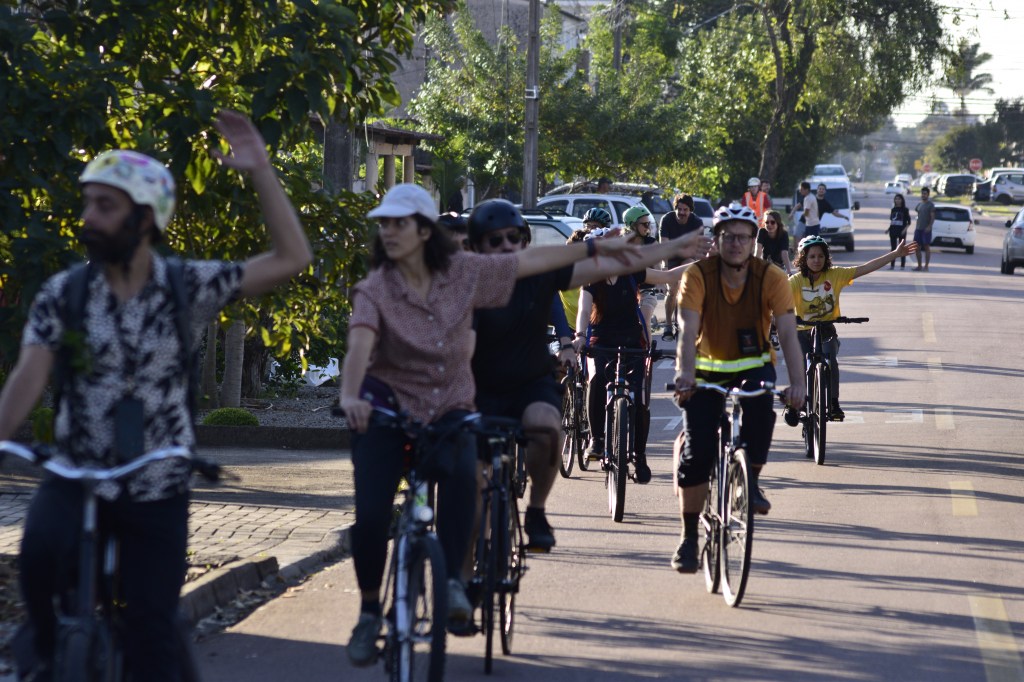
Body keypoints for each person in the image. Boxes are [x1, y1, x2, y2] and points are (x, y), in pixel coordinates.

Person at [0, 111, 314, 681]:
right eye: (88, 204)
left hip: (157, 483)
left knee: (151, 629)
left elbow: (292, 258)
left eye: (105, 206)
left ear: (145, 218)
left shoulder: (184, 285)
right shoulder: (64, 293)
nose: (88, 218)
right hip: (77, 474)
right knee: (39, 556)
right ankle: (45, 653)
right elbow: (29, 374)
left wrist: (262, 172)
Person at [338, 184, 643, 667]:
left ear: (424, 232)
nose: (389, 231)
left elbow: (534, 265)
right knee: (373, 516)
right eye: (385, 224)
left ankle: (454, 582)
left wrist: (600, 248)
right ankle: (370, 610)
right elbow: (359, 345)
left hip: (448, 408)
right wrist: (351, 396)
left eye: (400, 223)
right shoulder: (376, 286)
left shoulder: (463, 272)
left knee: (465, 479)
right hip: (386, 409)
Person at [471, 200, 709, 550]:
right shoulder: (464, 279)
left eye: (514, 238)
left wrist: (678, 247)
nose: (506, 246)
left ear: (524, 241)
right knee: (469, 503)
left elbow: (629, 264)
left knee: (546, 427)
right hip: (477, 389)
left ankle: (536, 510)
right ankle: (462, 577)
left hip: (529, 383)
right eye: (495, 240)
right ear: (476, 246)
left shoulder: (540, 274)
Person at [670, 203, 805, 574]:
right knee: (697, 454)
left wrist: (798, 383)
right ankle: (688, 538)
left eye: (743, 238)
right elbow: (687, 331)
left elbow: (788, 332)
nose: (735, 244)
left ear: (753, 241)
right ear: (716, 239)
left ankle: (751, 481)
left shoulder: (771, 276)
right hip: (705, 370)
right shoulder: (698, 275)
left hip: (753, 365)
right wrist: (684, 374)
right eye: (728, 237)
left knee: (761, 411)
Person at [574, 231, 705, 483]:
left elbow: (668, 276)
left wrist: (703, 264)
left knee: (640, 398)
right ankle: (597, 440)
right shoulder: (591, 277)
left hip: (632, 340)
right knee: (597, 379)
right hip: (601, 342)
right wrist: (580, 335)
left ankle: (640, 456)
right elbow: (583, 309)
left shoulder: (632, 271)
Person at [786, 234, 918, 424]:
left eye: (821, 256)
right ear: (803, 259)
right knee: (799, 363)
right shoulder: (796, 281)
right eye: (812, 256)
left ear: (826, 258)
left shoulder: (835, 274)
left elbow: (865, 268)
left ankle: (833, 403)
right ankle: (795, 403)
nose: (816, 260)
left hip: (826, 329)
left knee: (830, 360)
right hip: (802, 331)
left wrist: (895, 254)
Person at [658, 194, 704, 340]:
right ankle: (668, 325)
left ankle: (681, 323)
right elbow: (664, 245)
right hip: (671, 257)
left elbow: (698, 249)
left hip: (687, 256)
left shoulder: (697, 222)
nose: (682, 212)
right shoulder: (667, 219)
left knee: (684, 286)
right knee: (672, 290)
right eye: (679, 209)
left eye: (685, 210)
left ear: (690, 210)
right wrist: (664, 267)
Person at [754, 209, 792, 350]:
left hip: (779, 270)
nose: (769, 225)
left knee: (777, 304)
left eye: (772, 222)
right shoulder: (762, 232)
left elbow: (784, 254)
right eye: (767, 222)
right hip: (765, 269)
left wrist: (789, 272)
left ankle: (774, 332)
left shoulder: (783, 235)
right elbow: (758, 251)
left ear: (778, 223)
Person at [622, 205, 659, 336]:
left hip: (647, 291)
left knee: (643, 321)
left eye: (648, 224)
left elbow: (658, 267)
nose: (647, 227)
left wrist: (661, 284)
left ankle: (646, 348)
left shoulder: (651, 243)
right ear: (632, 225)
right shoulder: (622, 243)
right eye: (644, 224)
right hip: (626, 292)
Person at [912, 187, 935, 271]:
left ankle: (926, 266)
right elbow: (917, 213)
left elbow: (933, 217)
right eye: (922, 193)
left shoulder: (930, 205)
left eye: (925, 194)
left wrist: (929, 226)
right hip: (918, 229)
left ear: (928, 195)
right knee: (917, 247)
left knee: (926, 247)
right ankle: (919, 266)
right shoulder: (919, 204)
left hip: (926, 229)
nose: (923, 195)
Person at [888, 194, 912, 269]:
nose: (897, 200)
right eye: (896, 199)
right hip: (893, 231)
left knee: (901, 248)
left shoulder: (905, 210)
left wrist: (904, 230)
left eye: (899, 199)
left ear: (902, 200)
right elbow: (892, 221)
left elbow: (909, 222)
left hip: (902, 231)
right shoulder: (893, 209)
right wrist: (888, 229)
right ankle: (892, 265)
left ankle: (902, 265)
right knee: (893, 248)